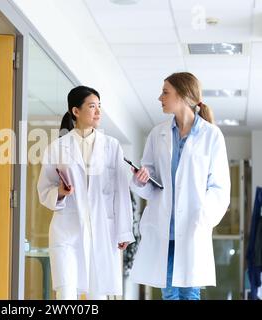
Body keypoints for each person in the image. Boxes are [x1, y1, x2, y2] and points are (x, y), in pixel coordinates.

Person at [129, 72, 230, 300]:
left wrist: (202, 218)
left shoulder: (211, 136)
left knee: (190, 294)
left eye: (165, 92)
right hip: (164, 230)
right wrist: (142, 178)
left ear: (183, 95)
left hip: (193, 228)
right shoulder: (157, 134)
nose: (160, 97)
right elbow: (152, 180)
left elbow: (219, 187)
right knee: (169, 295)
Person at [37, 85, 135, 300]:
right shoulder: (57, 147)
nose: (98, 111)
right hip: (67, 231)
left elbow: (120, 192)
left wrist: (124, 231)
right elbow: (44, 189)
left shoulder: (112, 146)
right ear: (76, 111)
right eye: (92, 106)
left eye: (99, 106)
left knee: (97, 295)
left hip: (102, 230)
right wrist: (60, 192)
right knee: (65, 294)